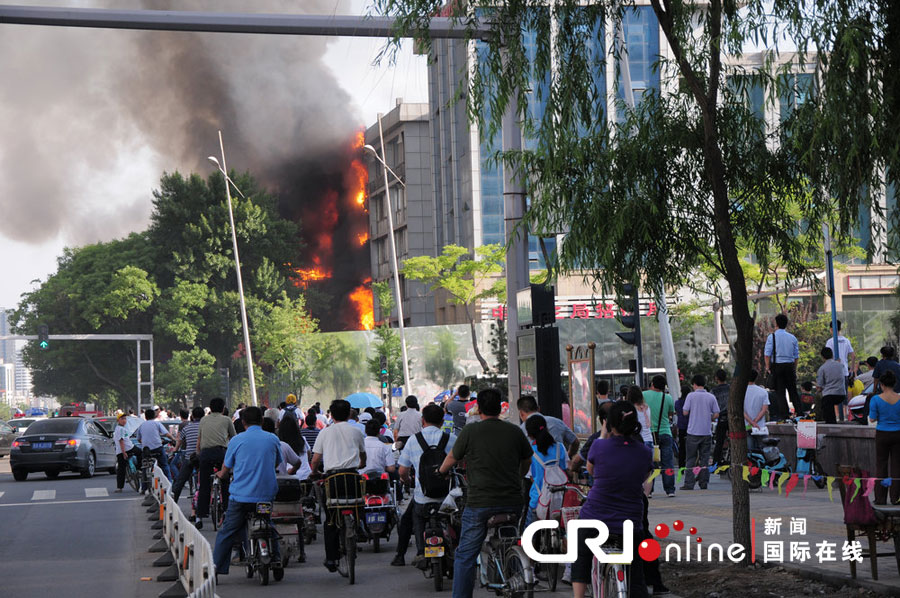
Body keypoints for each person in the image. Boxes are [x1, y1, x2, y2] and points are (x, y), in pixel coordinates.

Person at [436, 388, 533, 598]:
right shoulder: (514, 431)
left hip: (480, 503)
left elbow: (452, 457)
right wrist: (518, 476)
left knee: (465, 556)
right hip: (513, 501)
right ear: (500, 408)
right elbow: (527, 460)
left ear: (478, 408)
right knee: (511, 536)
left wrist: (441, 471)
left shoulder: (471, 431)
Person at [572, 401, 652, 598]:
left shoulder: (599, 446)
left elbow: (591, 471)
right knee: (636, 571)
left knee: (581, 557)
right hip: (629, 523)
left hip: (594, 519)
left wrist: (604, 434)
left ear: (608, 423)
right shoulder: (644, 452)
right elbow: (643, 477)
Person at [212, 407, 283, 576]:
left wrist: (220, 475)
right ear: (262, 421)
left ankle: (215, 569)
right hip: (265, 497)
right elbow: (277, 463)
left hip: (240, 498)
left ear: (243, 422)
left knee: (227, 531)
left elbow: (226, 467)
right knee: (268, 524)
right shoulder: (272, 439)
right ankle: (277, 561)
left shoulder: (236, 441)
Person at [393, 403, 456, 567]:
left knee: (409, 519)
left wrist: (407, 482)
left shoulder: (414, 440)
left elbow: (402, 471)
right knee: (457, 521)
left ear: (423, 421)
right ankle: (459, 552)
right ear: (442, 422)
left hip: (423, 498)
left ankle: (407, 555)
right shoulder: (452, 439)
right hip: (448, 500)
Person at [310, 399, 367, 572]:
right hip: (352, 478)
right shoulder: (356, 432)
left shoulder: (325, 433)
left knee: (331, 519)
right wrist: (360, 464)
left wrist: (315, 472)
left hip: (333, 480)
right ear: (350, 413)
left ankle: (331, 558)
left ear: (331, 414)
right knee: (358, 504)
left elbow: (315, 461)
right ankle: (361, 528)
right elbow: (363, 457)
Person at [196, 397, 236, 529]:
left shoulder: (203, 419)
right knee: (225, 482)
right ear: (223, 408)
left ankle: (200, 516)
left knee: (204, 485)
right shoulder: (227, 420)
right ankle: (226, 511)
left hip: (205, 454)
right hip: (221, 454)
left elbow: (199, 439)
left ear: (210, 408)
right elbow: (234, 438)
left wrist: (198, 453)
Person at [524, 414, 567, 525]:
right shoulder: (560, 447)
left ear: (530, 435)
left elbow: (531, 478)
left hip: (538, 502)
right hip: (560, 502)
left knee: (529, 537)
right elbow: (566, 469)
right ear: (546, 428)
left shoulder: (530, 452)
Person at [681, 375, 719, 491]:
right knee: (705, 459)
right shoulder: (711, 397)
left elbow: (685, 412)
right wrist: (709, 418)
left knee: (690, 459)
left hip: (693, 431)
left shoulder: (691, 396)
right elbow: (717, 413)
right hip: (706, 432)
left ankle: (689, 483)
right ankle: (703, 483)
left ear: (694, 384)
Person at [868, 369, 900, 505]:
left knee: (881, 465)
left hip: (882, 434)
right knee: (897, 466)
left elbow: (873, 418)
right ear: (895, 383)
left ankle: (880, 498)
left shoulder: (875, 399)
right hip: (898, 434)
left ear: (881, 384)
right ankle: (895, 498)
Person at [643, 375, 676, 497]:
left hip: (650, 433)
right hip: (665, 432)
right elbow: (670, 413)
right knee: (667, 462)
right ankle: (670, 490)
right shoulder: (667, 397)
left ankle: (649, 490)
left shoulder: (644, 395)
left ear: (652, 384)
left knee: (651, 463)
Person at [764, 313, 801, 419]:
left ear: (776, 324)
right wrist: (794, 367)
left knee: (780, 392)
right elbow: (796, 356)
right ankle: (799, 412)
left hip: (777, 366)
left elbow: (767, 354)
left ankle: (785, 414)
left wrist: (767, 367)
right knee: (793, 390)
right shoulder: (792, 338)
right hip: (789, 366)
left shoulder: (772, 337)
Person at [171, 407, 204, 503]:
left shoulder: (186, 428)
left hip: (189, 457)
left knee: (180, 481)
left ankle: (174, 502)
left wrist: (175, 451)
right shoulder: (204, 427)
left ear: (192, 416)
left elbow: (179, 442)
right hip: (202, 457)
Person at [136, 407, 175, 481]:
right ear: (154, 416)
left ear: (146, 417)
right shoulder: (157, 423)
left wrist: (144, 443)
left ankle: (144, 487)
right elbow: (167, 434)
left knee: (145, 466)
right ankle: (169, 482)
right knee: (164, 465)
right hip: (158, 448)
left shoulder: (141, 425)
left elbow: (138, 439)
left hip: (146, 450)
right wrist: (173, 439)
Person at [817, 346, 846, 424]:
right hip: (841, 394)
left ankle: (830, 423)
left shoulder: (822, 368)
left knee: (825, 402)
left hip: (829, 395)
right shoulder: (840, 365)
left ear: (822, 357)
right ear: (832, 355)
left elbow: (819, 386)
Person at [743, 370, 770, 450]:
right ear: (756, 378)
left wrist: (751, 423)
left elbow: (741, 411)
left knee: (750, 451)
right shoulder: (763, 391)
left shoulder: (742, 392)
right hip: (760, 426)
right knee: (764, 450)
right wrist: (755, 421)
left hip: (747, 425)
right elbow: (764, 409)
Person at [114, 411, 140, 493]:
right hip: (128, 449)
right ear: (118, 420)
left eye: (125, 419)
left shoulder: (120, 428)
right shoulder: (120, 429)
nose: (124, 420)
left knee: (121, 469)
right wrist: (124, 452)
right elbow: (121, 441)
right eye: (122, 419)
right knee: (141, 453)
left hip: (122, 450)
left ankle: (119, 487)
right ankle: (139, 468)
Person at [824, 319, 856, 384]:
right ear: (840, 328)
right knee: (844, 392)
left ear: (831, 329)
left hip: (833, 372)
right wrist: (851, 370)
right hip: (844, 372)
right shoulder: (846, 341)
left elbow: (827, 356)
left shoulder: (830, 342)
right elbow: (853, 356)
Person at [710, 369, 731, 467]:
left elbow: (711, 405)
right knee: (734, 440)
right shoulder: (731, 388)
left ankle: (716, 461)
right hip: (732, 417)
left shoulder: (714, 391)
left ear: (716, 378)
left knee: (719, 441)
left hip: (721, 417)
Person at [673, 384, 690, 469]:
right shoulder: (690, 402)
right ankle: (690, 465)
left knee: (682, 446)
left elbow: (676, 411)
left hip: (681, 426)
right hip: (690, 426)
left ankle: (681, 466)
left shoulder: (677, 403)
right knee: (691, 447)